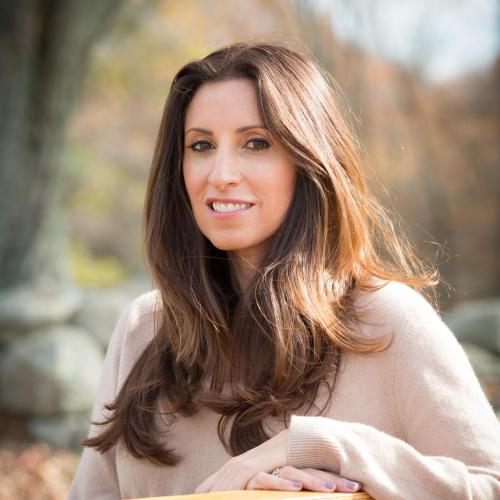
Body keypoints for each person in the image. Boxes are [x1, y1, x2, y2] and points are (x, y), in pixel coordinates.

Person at [68, 42, 500, 499]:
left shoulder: (388, 321)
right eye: (201, 145)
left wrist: (329, 445)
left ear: (309, 161)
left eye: (256, 143)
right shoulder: (144, 327)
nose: (221, 174)